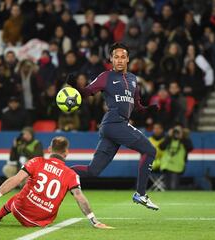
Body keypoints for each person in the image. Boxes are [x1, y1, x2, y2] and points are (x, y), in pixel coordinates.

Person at [68, 42, 159, 210]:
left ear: (128, 59)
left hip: (115, 127)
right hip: (114, 122)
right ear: (111, 59)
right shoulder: (105, 77)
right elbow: (87, 92)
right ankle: (140, 194)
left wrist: (148, 109)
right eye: (116, 57)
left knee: (93, 171)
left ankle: (60, 173)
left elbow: (136, 105)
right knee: (150, 151)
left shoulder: (133, 79)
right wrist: (75, 88)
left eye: (123, 57)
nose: (119, 60)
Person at [0, 136, 112, 229]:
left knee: (18, 195)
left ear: (50, 149)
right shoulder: (71, 174)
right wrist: (94, 220)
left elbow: (16, 180)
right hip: (42, 221)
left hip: (19, 211)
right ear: (66, 153)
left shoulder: (36, 161)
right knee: (25, 195)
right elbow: (79, 197)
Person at [159, 124, 193, 190]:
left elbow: (190, 148)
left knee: (173, 187)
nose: (176, 132)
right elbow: (161, 147)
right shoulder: (168, 139)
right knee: (167, 186)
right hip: (167, 165)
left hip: (177, 166)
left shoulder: (185, 140)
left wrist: (182, 137)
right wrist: (169, 136)